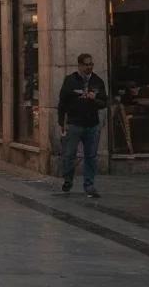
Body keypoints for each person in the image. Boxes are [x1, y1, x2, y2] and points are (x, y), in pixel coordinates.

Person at [57, 53, 109, 198]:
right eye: (86, 64)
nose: (89, 67)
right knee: (69, 155)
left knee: (91, 156)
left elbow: (104, 102)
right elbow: (62, 103)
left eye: (91, 64)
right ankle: (68, 179)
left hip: (92, 124)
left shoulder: (98, 81)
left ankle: (89, 185)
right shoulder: (70, 81)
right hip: (74, 124)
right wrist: (62, 122)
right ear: (79, 65)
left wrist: (94, 99)